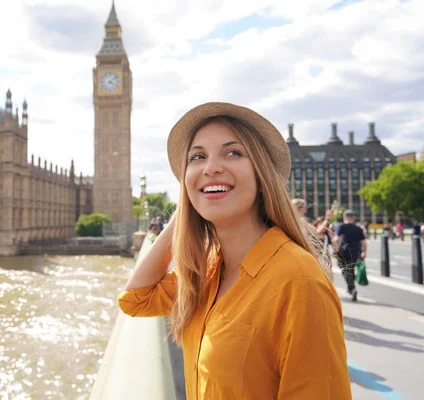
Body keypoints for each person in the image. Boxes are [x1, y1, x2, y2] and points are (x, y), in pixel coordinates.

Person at [117, 103, 351, 399]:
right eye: (197, 157)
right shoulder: (209, 270)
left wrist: (203, 192)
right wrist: (185, 211)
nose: (211, 167)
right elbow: (135, 300)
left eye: (233, 153)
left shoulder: (298, 281)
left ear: (261, 175)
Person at [333, 209, 367, 301]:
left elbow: (335, 239)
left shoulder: (341, 226)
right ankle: (350, 289)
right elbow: (363, 243)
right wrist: (364, 252)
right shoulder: (358, 229)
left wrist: (336, 250)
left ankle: (352, 289)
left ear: (345, 217)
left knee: (345, 270)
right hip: (356, 253)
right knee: (350, 269)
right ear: (353, 218)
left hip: (344, 252)